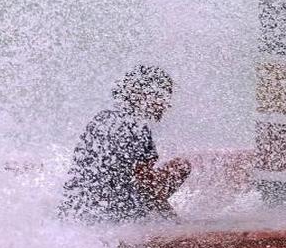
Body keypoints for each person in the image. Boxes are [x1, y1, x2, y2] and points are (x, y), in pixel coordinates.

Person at [59, 65, 191, 222]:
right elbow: (146, 186)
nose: (166, 104)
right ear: (140, 95)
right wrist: (174, 221)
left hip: (77, 206)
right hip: (114, 212)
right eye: (161, 96)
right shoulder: (137, 128)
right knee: (180, 166)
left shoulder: (102, 119)